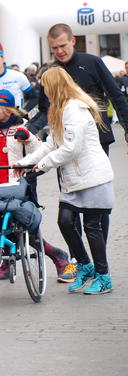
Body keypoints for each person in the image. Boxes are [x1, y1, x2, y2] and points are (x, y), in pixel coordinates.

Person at [27, 23, 128, 280]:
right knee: (70, 208)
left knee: (94, 209)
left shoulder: (91, 63)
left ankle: (99, 261)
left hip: (95, 141)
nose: (59, 51)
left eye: (63, 45)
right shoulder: (52, 73)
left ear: (73, 41)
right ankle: (79, 261)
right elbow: (45, 111)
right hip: (65, 145)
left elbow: (116, 96)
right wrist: (28, 130)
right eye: (54, 48)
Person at [15, 67, 114, 295]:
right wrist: (25, 162)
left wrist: (41, 166)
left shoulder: (74, 108)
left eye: (45, 87)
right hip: (74, 180)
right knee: (65, 221)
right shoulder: (58, 109)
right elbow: (51, 144)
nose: (44, 92)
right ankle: (85, 266)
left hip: (92, 177)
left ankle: (103, 276)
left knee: (92, 227)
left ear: (55, 86)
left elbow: (71, 148)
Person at [0, 89, 71, 281]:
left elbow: (39, 151)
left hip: (21, 187)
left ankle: (56, 255)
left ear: (8, 110)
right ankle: (7, 260)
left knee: (27, 228)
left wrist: (27, 137)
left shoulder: (22, 126)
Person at [0, 47, 36, 111]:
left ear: (3, 59)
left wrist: (23, 112)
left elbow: (34, 98)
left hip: (18, 116)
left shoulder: (18, 76)